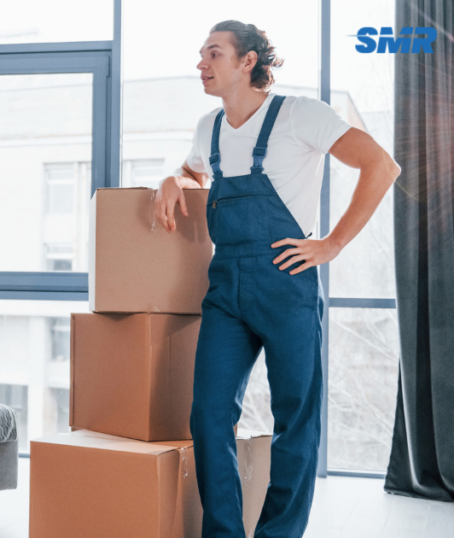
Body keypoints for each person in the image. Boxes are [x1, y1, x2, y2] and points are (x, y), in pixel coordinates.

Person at [154, 20, 400, 538]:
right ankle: (224, 532)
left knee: (296, 422)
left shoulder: (299, 114)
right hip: (225, 291)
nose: (201, 63)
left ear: (248, 62)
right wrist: (173, 179)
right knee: (208, 417)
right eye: (201, 53)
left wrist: (331, 244)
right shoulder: (210, 127)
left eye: (213, 53)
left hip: (286, 284)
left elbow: (381, 165)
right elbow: (194, 171)